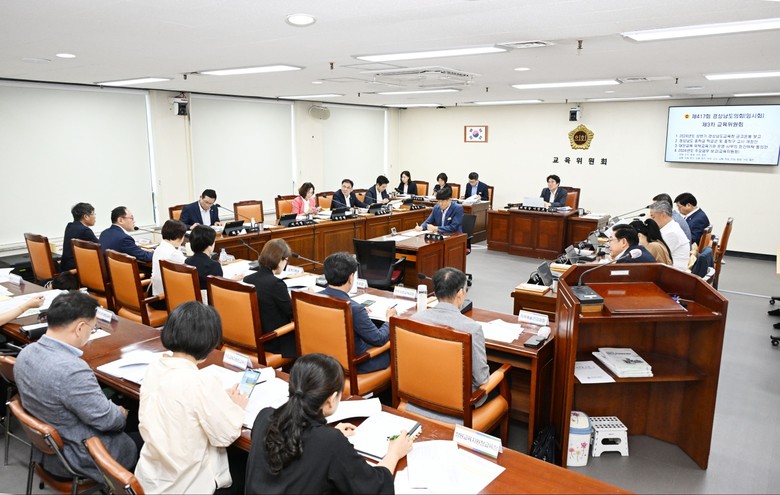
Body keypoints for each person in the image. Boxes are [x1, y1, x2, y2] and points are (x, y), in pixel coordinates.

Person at [14, 292, 138, 483]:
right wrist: (121, 412)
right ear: (80, 328)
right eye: (92, 328)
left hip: (50, 449)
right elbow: (109, 421)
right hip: (80, 456)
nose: (91, 333)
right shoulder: (72, 370)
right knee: (150, 434)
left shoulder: (25, 353)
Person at [245, 353, 413, 494]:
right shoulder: (330, 442)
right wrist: (394, 453)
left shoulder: (264, 417)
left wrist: (325, 433)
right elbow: (373, 487)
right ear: (331, 399)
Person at [135, 302, 248, 494]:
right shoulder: (199, 382)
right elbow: (225, 435)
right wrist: (236, 407)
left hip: (151, 479)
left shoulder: (155, 366)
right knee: (249, 468)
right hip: (185, 486)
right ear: (210, 343)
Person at [411, 268, 490, 407]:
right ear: (460, 293)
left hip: (420, 394)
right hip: (459, 403)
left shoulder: (415, 319)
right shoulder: (472, 329)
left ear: (435, 292)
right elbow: (481, 379)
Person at [321, 252, 396, 373]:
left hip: (323, 359)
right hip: (356, 364)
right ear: (351, 278)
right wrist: (389, 319)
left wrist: (357, 307)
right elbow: (379, 339)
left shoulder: (312, 298)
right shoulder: (355, 309)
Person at [243, 239, 297, 358]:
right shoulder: (276, 284)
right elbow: (293, 313)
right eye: (286, 260)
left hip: (253, 337)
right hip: (274, 340)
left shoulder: (248, 279)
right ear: (279, 260)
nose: (286, 264)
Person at [648, 201, 690, 270]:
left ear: (663, 215)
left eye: (653, 217)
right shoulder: (671, 227)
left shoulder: (672, 233)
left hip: (674, 272)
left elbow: (653, 254)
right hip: (668, 269)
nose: (651, 220)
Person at [150, 219, 187, 297]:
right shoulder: (174, 254)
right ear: (179, 237)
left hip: (157, 293)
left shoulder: (159, 248)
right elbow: (190, 267)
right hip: (168, 296)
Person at [60, 202, 99, 271]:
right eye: (93, 214)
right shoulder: (85, 231)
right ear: (86, 217)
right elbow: (100, 248)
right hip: (76, 269)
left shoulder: (70, 226)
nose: (95, 216)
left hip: (65, 266)